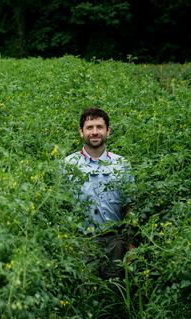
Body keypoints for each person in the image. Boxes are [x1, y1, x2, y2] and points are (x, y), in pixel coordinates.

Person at [64, 107, 134, 279]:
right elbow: (62, 207)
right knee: (86, 294)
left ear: (108, 131)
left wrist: (132, 246)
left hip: (116, 243)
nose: (95, 132)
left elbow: (130, 207)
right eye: (89, 127)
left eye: (99, 127)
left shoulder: (121, 164)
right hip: (82, 243)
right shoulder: (68, 164)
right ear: (81, 132)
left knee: (114, 295)